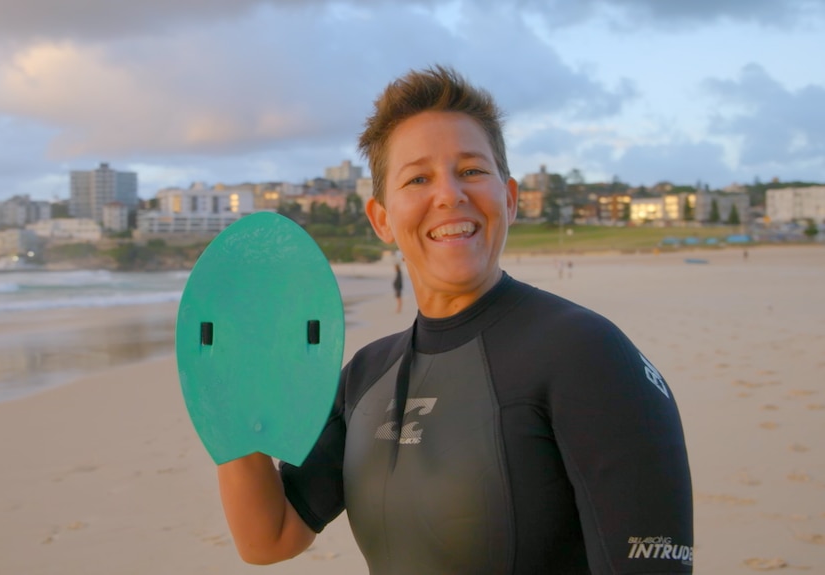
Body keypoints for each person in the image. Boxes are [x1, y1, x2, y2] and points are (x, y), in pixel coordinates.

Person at [217, 65, 693, 574]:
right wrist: (227, 410)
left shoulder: (586, 354)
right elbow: (270, 538)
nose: (449, 195)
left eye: (471, 171)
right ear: (381, 219)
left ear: (508, 199)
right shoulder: (365, 377)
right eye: (418, 178)